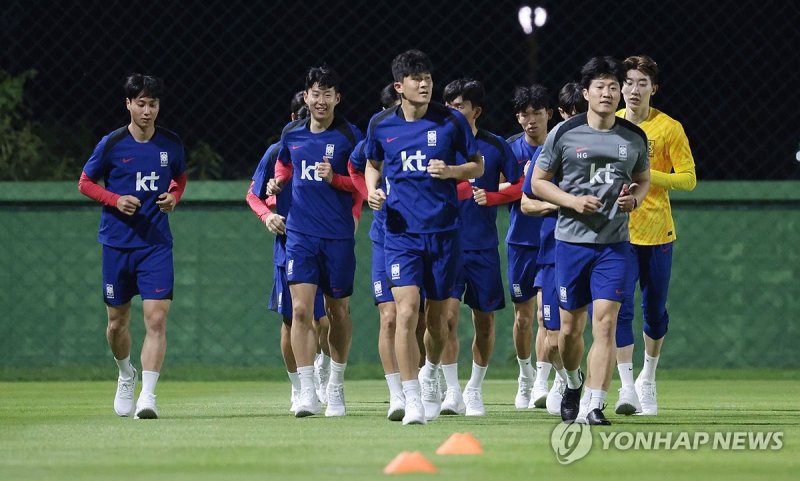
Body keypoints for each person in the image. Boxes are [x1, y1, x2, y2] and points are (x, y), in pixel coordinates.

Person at [363, 49, 483, 425]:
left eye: (428, 77)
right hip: (401, 235)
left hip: (444, 233)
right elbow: (371, 163)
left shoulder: (450, 121)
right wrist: (372, 190)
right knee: (404, 312)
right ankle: (411, 398)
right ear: (400, 86)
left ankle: (431, 372)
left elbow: (477, 164)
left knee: (438, 321)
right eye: (416, 79)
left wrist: (451, 171)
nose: (425, 83)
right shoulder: (380, 125)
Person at [531, 56, 651, 426]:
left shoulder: (634, 137)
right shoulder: (564, 133)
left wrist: (636, 198)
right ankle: (571, 381)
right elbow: (538, 182)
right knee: (569, 330)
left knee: (606, 323)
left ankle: (594, 403)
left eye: (613, 87)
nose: (608, 93)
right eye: (600, 86)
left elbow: (643, 178)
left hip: (614, 246)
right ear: (585, 93)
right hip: (570, 244)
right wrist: (571, 201)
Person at [78, 74, 187, 420]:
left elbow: (179, 178)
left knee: (156, 319)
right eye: (140, 103)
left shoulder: (171, 144)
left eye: (152, 104)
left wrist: (174, 197)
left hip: (155, 245)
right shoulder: (112, 144)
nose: (147, 110)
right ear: (128, 104)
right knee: (116, 324)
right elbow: (84, 182)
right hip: (117, 244)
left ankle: (148, 397)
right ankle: (126, 374)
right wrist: (114, 199)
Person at [268, 66, 363, 417]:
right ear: (305, 97)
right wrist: (277, 184)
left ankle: (335, 385)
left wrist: (336, 178)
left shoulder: (351, 136)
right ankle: (307, 392)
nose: (321, 100)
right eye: (315, 93)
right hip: (300, 235)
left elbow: (364, 183)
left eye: (328, 93)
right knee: (301, 311)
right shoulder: (291, 133)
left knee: (338, 312)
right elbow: (284, 166)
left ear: (337, 98)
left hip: (338, 236)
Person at [613, 54, 697, 416]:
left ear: (653, 88)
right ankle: (627, 387)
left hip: (658, 232)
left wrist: (647, 175)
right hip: (616, 234)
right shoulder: (608, 124)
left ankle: (648, 379)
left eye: (641, 83)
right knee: (618, 310)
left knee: (654, 312)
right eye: (628, 82)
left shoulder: (669, 128)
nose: (633, 90)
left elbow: (689, 179)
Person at [437, 78, 520, 416]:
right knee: (447, 318)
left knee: (484, 322)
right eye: (449, 105)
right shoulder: (437, 146)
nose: (453, 111)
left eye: (459, 105)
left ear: (476, 110)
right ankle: (451, 390)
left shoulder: (496, 146)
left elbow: (521, 185)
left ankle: (474, 388)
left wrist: (494, 197)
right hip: (446, 244)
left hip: (483, 248)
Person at [246, 93, 331, 414]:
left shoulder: (330, 147)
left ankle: (322, 369)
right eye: (301, 115)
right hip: (290, 247)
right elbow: (253, 195)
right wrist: (269, 214)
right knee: (292, 318)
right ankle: (299, 387)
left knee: (327, 319)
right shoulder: (278, 151)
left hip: (326, 240)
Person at [349, 82, 422, 421]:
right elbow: (357, 168)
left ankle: (421, 385)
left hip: (421, 234)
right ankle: (398, 395)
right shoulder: (376, 136)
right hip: (385, 237)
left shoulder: (428, 134)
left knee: (418, 316)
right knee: (390, 316)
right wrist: (369, 191)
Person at [520, 81, 587, 416]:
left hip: (586, 250)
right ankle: (566, 379)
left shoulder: (598, 154)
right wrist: (562, 204)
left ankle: (578, 385)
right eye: (571, 114)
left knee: (574, 327)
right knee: (550, 330)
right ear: (561, 114)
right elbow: (526, 204)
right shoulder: (548, 153)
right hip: (550, 253)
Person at [505, 84, 553, 409]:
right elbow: (493, 187)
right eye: (524, 113)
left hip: (552, 241)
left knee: (545, 317)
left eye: (537, 112)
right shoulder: (509, 150)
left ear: (549, 113)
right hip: (520, 241)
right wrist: (519, 185)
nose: (530, 119)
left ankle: (541, 381)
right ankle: (524, 375)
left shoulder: (561, 148)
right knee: (523, 317)